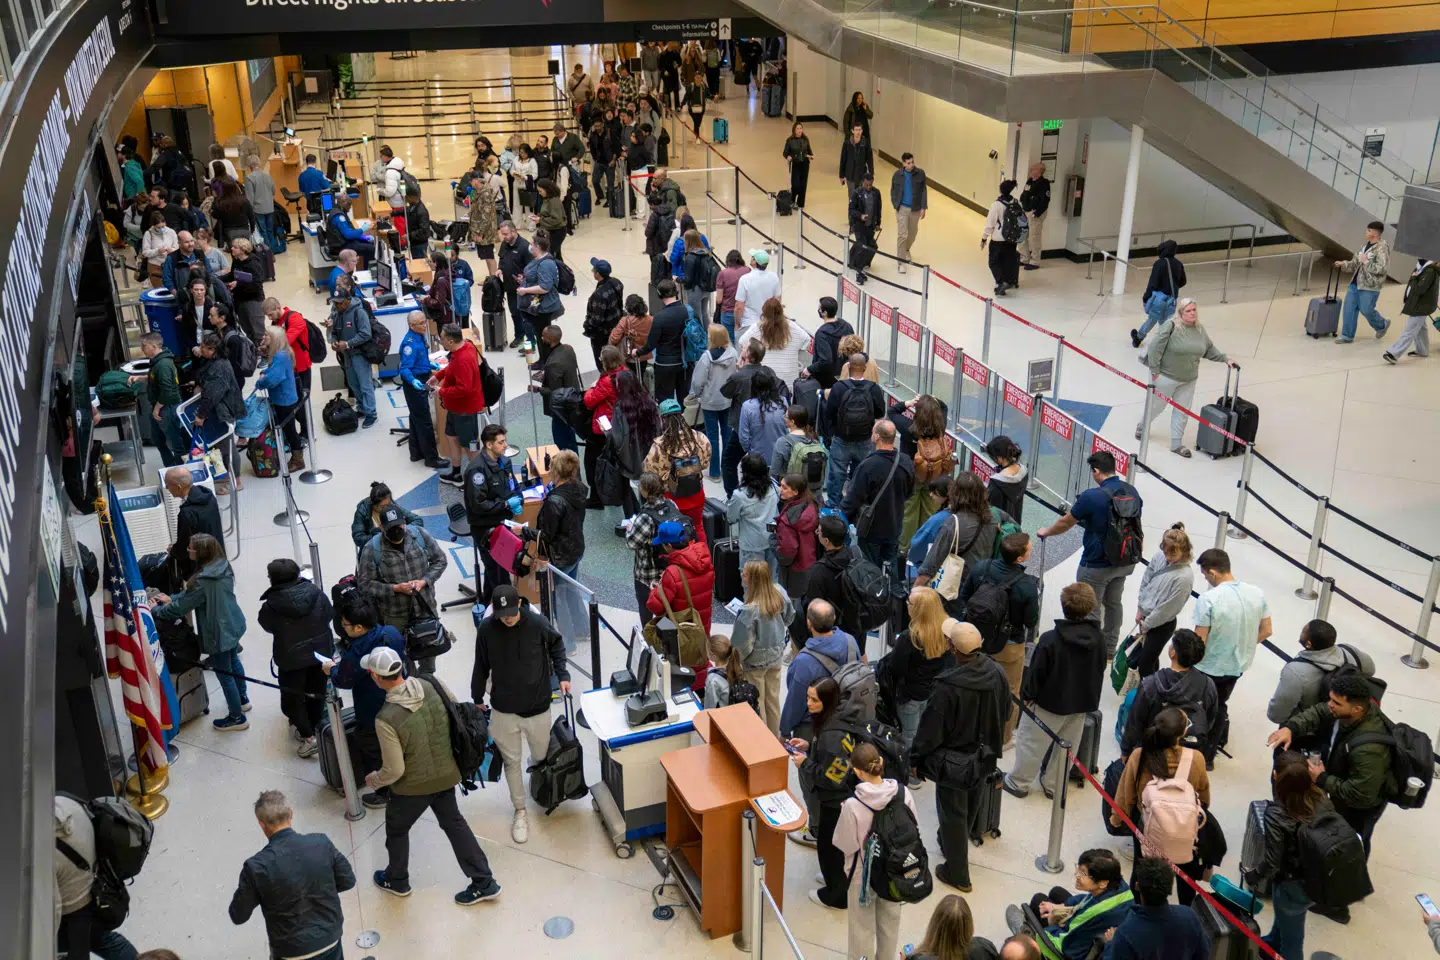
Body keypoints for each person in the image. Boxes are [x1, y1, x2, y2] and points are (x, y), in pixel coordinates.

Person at [364, 647, 502, 905]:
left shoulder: (385, 719)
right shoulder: (432, 683)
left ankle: (397, 880)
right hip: (447, 773)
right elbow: (456, 711)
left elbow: (395, 770)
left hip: (412, 788)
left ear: (375, 677)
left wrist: (375, 779)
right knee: (454, 824)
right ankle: (484, 882)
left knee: (397, 829)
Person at [911, 620, 1009, 892]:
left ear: (953, 648)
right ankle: (952, 842)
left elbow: (931, 730)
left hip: (954, 763)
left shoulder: (947, 686)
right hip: (985, 755)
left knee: (952, 812)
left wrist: (916, 759)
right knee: (972, 802)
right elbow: (1006, 710)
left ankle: (958, 874)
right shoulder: (997, 672)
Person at [1266, 671, 1394, 877]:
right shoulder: (1346, 713)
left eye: (1336, 702)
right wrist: (1291, 728)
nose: (1330, 705)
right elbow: (1318, 712)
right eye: (1331, 699)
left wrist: (1323, 779)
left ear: (1357, 708)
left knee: (1350, 844)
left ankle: (1344, 884)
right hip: (1342, 787)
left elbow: (1361, 795)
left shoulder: (1370, 750)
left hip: (1358, 809)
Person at [472, 584, 569, 844]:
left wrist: (563, 675)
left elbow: (557, 644)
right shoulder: (487, 629)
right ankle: (520, 810)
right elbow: (480, 664)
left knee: (540, 756)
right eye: (502, 614)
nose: (507, 618)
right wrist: (477, 697)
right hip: (503, 709)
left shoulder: (537, 623)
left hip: (537, 707)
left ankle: (537, 782)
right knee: (511, 761)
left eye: (511, 613)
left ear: (519, 604)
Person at [1037, 450, 1142, 659]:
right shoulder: (1132, 491)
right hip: (1124, 560)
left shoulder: (1091, 496)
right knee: (1113, 604)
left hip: (1096, 564)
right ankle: (1109, 649)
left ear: (1096, 471)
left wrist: (1046, 531)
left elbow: (1066, 522)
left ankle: (1088, 652)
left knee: (1089, 609)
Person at [228, 790, 355, 960]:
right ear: (291, 814)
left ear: (261, 824)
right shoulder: (321, 843)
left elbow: (238, 915)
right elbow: (348, 880)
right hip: (330, 940)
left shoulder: (256, 867)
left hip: (291, 952)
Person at [1109, 707, 1209, 904]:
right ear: (1182, 733)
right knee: (1185, 872)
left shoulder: (1140, 755)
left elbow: (1126, 792)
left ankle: (1141, 905)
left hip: (1147, 824)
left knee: (1142, 869)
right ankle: (1186, 907)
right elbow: (1203, 794)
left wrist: (1116, 818)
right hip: (1184, 826)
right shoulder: (1195, 758)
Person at [152, 533, 249, 731]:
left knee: (225, 675)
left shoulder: (202, 580)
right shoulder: (222, 566)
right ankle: (243, 699)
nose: (187, 550)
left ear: (201, 553)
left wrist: (156, 610)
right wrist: (173, 598)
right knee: (233, 662)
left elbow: (181, 608)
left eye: (191, 548)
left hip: (218, 633)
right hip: (233, 623)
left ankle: (237, 718)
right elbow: (191, 594)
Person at [1245, 751, 1334, 958]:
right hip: (1317, 878)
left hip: (1292, 884)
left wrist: (1254, 875)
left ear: (1276, 776)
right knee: (1288, 919)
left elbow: (1272, 861)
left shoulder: (1277, 813)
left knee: (1293, 942)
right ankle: (1272, 943)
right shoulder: (1322, 798)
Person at [835, 742, 919, 956]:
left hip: (862, 876)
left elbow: (846, 844)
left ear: (857, 772)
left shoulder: (852, 805)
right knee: (890, 925)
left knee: (861, 930)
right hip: (895, 871)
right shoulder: (903, 793)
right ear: (880, 762)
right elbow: (914, 828)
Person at [324, 595, 406, 807]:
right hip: (399, 699)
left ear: (359, 627)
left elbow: (344, 680)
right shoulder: (391, 632)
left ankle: (384, 792)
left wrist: (331, 669)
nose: (343, 628)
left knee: (372, 746)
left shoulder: (358, 652)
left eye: (345, 625)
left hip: (373, 708)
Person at [1193, 547, 1271, 764]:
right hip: (1237, 665)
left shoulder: (1208, 599)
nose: (1206, 580)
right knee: (1220, 704)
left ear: (1212, 573)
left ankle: (1197, 752)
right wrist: (1244, 643)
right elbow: (1267, 630)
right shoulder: (1257, 593)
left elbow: (1199, 641)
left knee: (1202, 707)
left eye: (1205, 575)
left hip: (1209, 666)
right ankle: (1208, 757)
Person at [786, 676, 857, 908]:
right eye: (808, 697)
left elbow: (834, 778)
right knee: (831, 845)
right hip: (837, 799)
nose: (808, 703)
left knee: (829, 847)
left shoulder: (831, 735)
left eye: (814, 699)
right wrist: (810, 747)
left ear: (827, 701)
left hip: (836, 801)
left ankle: (836, 895)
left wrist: (805, 763)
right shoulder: (833, 720)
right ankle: (833, 879)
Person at [1136, 299, 1236, 458]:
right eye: (1189, 311)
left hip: (1189, 379)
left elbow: (1208, 349)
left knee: (1182, 411)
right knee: (1156, 406)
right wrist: (1155, 371)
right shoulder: (1171, 326)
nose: (1193, 313)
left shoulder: (1199, 329)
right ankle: (1142, 427)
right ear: (1181, 312)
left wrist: (1225, 358)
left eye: (1194, 310)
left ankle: (1176, 444)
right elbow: (1155, 347)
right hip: (1165, 377)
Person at [55, 794, 141, 960]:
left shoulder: (47, 855)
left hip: (74, 909)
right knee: (103, 939)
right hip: (96, 887)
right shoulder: (65, 802)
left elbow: (51, 912)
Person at [356, 505, 449, 658]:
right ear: (381, 527)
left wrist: (424, 581)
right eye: (390, 527)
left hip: (425, 607)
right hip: (396, 615)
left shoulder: (420, 536)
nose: (396, 530)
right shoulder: (371, 549)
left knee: (430, 651)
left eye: (399, 526)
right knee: (401, 658)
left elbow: (440, 560)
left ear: (404, 522)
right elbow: (365, 584)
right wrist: (395, 588)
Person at [1007, 850, 1132, 959]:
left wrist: (1052, 922)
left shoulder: (1094, 913)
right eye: (1079, 868)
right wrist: (1061, 907)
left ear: (1103, 883)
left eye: (1083, 873)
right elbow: (1087, 899)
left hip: (1069, 946)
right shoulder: (1120, 886)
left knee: (1033, 904)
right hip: (1086, 930)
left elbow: (1066, 942)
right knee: (1055, 892)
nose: (1077, 875)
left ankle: (1026, 936)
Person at [1120, 628, 1218, 756]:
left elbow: (1135, 724)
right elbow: (1209, 720)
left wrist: (1126, 751)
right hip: (1189, 753)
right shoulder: (1207, 685)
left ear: (1173, 653)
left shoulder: (1150, 685)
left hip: (1154, 753)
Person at [1266, 619, 1376, 729]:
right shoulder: (1349, 651)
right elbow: (1371, 670)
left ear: (1308, 644)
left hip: (1306, 728)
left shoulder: (1295, 671)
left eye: (1303, 631)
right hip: (1345, 723)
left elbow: (1276, 715)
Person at [842, 419, 915, 584]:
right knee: (891, 565)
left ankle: (874, 595)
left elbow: (853, 499)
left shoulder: (868, 465)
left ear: (876, 436)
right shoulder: (905, 461)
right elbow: (909, 493)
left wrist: (840, 518)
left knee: (869, 570)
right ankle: (892, 593)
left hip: (871, 528)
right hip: (895, 525)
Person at [1124, 523, 1195, 688]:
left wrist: (1147, 624)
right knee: (1149, 658)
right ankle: (1152, 688)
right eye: (1165, 553)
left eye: (1172, 554)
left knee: (1145, 664)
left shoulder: (1184, 578)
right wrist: (1140, 608)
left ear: (1184, 551)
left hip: (1162, 624)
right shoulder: (1159, 557)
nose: (1168, 558)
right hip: (1146, 617)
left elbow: (1169, 608)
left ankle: (1150, 692)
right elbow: (1146, 580)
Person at [730, 559, 795, 735]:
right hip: (776, 657)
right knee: (773, 701)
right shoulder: (779, 591)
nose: (742, 574)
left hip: (754, 664)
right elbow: (790, 617)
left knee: (757, 704)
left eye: (745, 574)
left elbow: (741, 645)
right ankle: (775, 739)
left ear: (753, 580)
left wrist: (737, 663)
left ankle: (762, 743)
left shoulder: (749, 610)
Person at [891, 587, 956, 757]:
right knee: (925, 731)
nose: (906, 603)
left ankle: (908, 766)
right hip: (933, 693)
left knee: (908, 735)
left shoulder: (910, 637)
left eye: (909, 602)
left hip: (910, 695)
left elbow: (896, 668)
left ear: (919, 609)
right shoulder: (946, 631)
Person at [1103, 857, 1210, 960]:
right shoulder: (1189, 916)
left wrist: (1110, 944)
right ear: (1170, 888)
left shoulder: (1125, 934)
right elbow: (1203, 954)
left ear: (1137, 886)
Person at [464, 424, 522, 605]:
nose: (505, 445)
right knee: (500, 575)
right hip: (485, 529)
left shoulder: (504, 462)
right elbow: (478, 505)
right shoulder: (477, 471)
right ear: (489, 445)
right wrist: (505, 504)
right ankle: (504, 610)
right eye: (501, 442)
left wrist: (518, 498)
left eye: (505, 441)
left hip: (502, 523)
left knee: (495, 568)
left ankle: (485, 601)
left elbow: (513, 484)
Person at [536, 450, 589, 644]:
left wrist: (523, 531)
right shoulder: (579, 488)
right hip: (576, 549)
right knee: (572, 590)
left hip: (559, 556)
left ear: (557, 472)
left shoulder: (554, 502)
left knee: (558, 598)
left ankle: (567, 643)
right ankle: (583, 629)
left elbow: (545, 534)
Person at [719, 339, 781, 494]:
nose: (741, 348)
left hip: (742, 427)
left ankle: (733, 495)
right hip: (765, 424)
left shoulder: (738, 377)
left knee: (728, 461)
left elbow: (725, 392)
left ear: (747, 354)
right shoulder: (769, 372)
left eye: (744, 347)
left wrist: (739, 371)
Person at [824, 352, 885, 503]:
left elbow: (829, 414)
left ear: (848, 367)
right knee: (861, 475)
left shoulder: (838, 388)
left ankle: (834, 506)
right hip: (865, 440)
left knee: (837, 474)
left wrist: (829, 436)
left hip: (841, 439)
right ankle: (855, 506)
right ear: (865, 368)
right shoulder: (873, 388)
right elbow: (880, 412)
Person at [188, 332, 246, 487]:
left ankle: (236, 482)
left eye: (203, 347)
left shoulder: (220, 367)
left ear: (212, 349)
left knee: (227, 448)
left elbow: (213, 395)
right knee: (220, 446)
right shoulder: (211, 361)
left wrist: (201, 415)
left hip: (223, 412)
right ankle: (226, 475)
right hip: (216, 411)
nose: (200, 349)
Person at [431, 323, 485, 485]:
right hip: (455, 409)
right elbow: (451, 367)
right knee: (452, 437)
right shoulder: (465, 347)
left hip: (465, 410)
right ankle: (456, 474)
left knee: (470, 446)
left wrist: (441, 391)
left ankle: (477, 480)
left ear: (451, 341)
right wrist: (438, 376)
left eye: (442, 339)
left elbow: (464, 389)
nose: (440, 341)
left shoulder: (463, 360)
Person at [801, 517, 866, 649]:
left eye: (818, 531)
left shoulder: (819, 570)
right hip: (857, 621)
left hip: (834, 630)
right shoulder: (856, 553)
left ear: (826, 540)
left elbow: (814, 606)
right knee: (859, 654)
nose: (817, 533)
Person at [625, 472, 682, 618]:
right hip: (670, 569)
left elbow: (631, 543)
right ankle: (665, 630)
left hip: (647, 573)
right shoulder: (671, 504)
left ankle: (649, 632)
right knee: (667, 607)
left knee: (646, 607)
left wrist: (629, 529)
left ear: (644, 491)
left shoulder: (645, 517)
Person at [396, 311, 447, 469]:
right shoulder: (409, 344)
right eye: (421, 323)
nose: (425, 325)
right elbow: (404, 369)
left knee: (415, 418)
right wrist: (413, 381)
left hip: (422, 375)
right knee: (425, 421)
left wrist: (429, 364)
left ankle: (416, 452)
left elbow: (419, 359)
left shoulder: (419, 336)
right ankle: (431, 458)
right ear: (411, 326)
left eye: (425, 321)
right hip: (414, 384)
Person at [646, 519, 715, 633]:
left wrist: (654, 590)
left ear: (669, 545)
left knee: (660, 624)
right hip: (702, 626)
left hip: (682, 632)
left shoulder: (672, 573)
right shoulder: (705, 560)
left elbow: (655, 606)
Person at [687, 324, 736, 478]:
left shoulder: (706, 357)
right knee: (727, 435)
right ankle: (727, 469)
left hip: (709, 402)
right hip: (727, 400)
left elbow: (697, 382)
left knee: (712, 437)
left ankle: (714, 473)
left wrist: (698, 394)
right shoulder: (733, 354)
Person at [329, 275, 377, 428]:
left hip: (359, 354)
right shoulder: (338, 313)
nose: (337, 306)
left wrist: (348, 344)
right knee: (353, 384)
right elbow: (334, 332)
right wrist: (334, 341)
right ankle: (362, 408)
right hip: (346, 356)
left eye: (340, 303)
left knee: (365, 385)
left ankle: (371, 413)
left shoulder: (359, 312)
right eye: (335, 303)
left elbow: (366, 334)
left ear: (347, 300)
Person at [256, 326, 306, 474]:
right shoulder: (282, 353)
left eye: (267, 335)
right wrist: (264, 372)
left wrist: (260, 382)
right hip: (285, 397)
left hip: (283, 400)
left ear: (275, 339)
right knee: (288, 428)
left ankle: (298, 460)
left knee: (290, 430)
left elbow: (272, 379)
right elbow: (273, 371)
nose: (264, 337)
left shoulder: (280, 356)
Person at [1334, 219, 1391, 344]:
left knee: (1366, 310)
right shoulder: (1364, 247)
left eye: (1368, 230)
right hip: (1355, 284)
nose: (1366, 232)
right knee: (1349, 309)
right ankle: (1347, 336)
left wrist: (1366, 262)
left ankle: (1382, 324)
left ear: (1375, 233)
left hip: (1370, 286)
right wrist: (1344, 264)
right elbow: (1355, 263)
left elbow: (1382, 268)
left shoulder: (1382, 249)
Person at [134, 334, 187, 467]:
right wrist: (140, 378)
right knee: (158, 439)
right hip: (159, 407)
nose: (141, 349)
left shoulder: (163, 364)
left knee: (176, 444)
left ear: (153, 346)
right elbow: (155, 379)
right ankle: (170, 468)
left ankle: (181, 471)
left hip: (167, 408)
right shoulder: (157, 362)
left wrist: (157, 408)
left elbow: (167, 390)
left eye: (144, 346)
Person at [265, 298, 313, 438]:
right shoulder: (276, 322)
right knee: (291, 403)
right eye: (267, 316)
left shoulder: (295, 318)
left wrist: (269, 344)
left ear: (278, 307)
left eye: (270, 314)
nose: (269, 318)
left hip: (301, 368)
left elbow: (286, 341)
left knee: (301, 403)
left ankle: (306, 432)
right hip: (287, 369)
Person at [739, 297, 811, 387]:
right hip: (788, 380)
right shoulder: (792, 327)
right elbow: (806, 340)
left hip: (765, 379)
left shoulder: (758, 328)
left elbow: (742, 342)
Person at [728, 453, 780, 574]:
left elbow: (731, 517)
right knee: (772, 577)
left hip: (751, 544)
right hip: (772, 539)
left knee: (751, 580)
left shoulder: (739, 495)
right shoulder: (773, 485)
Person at [642, 278, 691, 404]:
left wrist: (638, 352)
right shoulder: (688, 311)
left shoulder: (659, 317)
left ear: (659, 294)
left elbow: (651, 344)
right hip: (686, 361)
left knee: (665, 401)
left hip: (665, 364)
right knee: (684, 399)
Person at [1131, 240, 1187, 348]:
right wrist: (1173, 287)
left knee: (1152, 318)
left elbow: (1153, 283)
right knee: (1166, 322)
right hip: (1172, 299)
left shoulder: (1159, 263)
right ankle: (1168, 342)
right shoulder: (1179, 264)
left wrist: (1146, 297)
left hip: (1159, 299)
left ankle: (1138, 338)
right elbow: (1183, 281)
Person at [774, 471, 821, 597]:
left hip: (793, 572)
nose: (780, 490)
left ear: (795, 492)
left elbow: (787, 551)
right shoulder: (811, 505)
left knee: (792, 602)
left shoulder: (787, 521)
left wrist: (774, 543)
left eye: (784, 487)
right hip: (810, 561)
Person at [1384, 256, 1437, 364]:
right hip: (1418, 303)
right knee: (1421, 328)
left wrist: (1413, 278)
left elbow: (1419, 289)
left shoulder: (1430, 271)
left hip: (1421, 305)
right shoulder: (1420, 268)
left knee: (1410, 330)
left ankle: (1394, 353)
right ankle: (1423, 350)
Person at [517, 229, 562, 346]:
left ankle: (546, 356)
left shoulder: (546, 263)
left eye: (532, 244)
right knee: (539, 334)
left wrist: (525, 290)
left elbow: (545, 287)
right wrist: (524, 280)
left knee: (544, 337)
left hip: (543, 307)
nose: (530, 246)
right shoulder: (538, 259)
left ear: (537, 247)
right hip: (537, 306)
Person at [981, 180, 1024, 296]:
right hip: (1011, 238)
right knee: (1007, 260)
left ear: (1000, 190)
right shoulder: (1015, 202)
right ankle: (1008, 280)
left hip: (998, 239)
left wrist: (984, 238)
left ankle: (1001, 282)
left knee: (993, 261)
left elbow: (990, 224)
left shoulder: (996, 205)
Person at [738, 369, 789, 464]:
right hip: (780, 458)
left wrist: (751, 451)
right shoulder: (783, 402)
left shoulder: (747, 406)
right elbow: (787, 430)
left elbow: (743, 437)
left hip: (757, 460)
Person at [497, 220, 534, 348]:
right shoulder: (505, 244)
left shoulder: (525, 246)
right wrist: (500, 269)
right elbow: (502, 259)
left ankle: (531, 339)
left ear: (514, 231)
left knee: (525, 315)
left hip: (524, 289)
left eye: (506, 234)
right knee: (514, 313)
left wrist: (523, 276)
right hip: (510, 287)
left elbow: (532, 267)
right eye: (502, 234)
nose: (503, 237)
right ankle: (519, 336)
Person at [583, 257, 625, 365]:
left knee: (602, 360)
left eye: (594, 270)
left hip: (602, 334)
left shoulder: (599, 294)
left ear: (597, 274)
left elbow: (597, 320)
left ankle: (605, 373)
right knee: (615, 356)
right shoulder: (617, 282)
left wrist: (587, 324)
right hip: (617, 326)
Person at [891, 153, 928, 271]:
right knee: (902, 235)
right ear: (903, 163)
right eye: (908, 163)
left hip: (915, 209)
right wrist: (895, 204)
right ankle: (900, 263)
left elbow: (923, 191)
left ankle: (906, 249)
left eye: (912, 162)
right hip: (902, 208)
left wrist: (923, 207)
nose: (911, 165)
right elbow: (893, 190)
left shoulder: (920, 174)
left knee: (912, 233)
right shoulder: (897, 175)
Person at [806, 296, 854, 387]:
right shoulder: (847, 326)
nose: (818, 311)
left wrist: (809, 369)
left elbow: (825, 361)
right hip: (845, 376)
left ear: (825, 313)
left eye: (819, 309)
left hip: (826, 380)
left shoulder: (821, 334)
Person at [732, 248, 781, 332]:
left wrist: (737, 323)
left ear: (755, 262)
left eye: (752, 257)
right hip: (767, 323)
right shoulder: (774, 277)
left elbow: (739, 306)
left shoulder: (745, 279)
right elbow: (777, 301)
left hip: (749, 324)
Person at [610, 292, 654, 380]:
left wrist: (614, 329)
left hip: (630, 356)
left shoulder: (625, 320)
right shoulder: (650, 319)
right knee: (640, 376)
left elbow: (614, 339)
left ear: (628, 307)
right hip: (644, 354)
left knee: (631, 379)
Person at [849, 172, 883, 283]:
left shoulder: (876, 193)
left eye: (870, 185)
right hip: (859, 226)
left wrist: (878, 223)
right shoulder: (857, 193)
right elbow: (851, 210)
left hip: (870, 226)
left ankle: (855, 261)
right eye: (866, 185)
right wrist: (860, 216)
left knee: (870, 246)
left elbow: (878, 209)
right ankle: (858, 271)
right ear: (863, 182)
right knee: (863, 246)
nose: (868, 187)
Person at [1018, 162, 1050, 271]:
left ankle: (1035, 261)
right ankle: (1024, 258)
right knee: (1022, 235)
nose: (1031, 171)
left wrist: (1036, 213)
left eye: (1033, 169)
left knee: (1034, 237)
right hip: (1025, 211)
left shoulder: (1044, 183)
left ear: (1039, 172)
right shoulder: (1030, 181)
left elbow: (1045, 200)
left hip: (1035, 213)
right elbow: (1025, 193)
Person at [243, 155, 278, 251]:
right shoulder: (268, 176)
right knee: (270, 230)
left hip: (258, 209)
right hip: (270, 207)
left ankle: (268, 251)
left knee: (263, 231)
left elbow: (250, 198)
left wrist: (248, 212)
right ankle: (273, 249)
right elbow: (273, 191)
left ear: (249, 165)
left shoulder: (249, 178)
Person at [327, 195, 374, 263]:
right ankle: (369, 268)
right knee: (371, 249)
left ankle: (366, 267)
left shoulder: (338, 210)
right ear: (344, 204)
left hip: (342, 241)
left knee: (369, 242)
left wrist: (362, 237)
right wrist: (362, 229)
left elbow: (349, 230)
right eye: (349, 205)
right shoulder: (338, 216)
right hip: (340, 246)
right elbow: (348, 235)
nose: (350, 207)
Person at [716, 249, 750, 343]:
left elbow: (719, 299)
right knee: (743, 340)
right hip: (743, 311)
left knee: (729, 341)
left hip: (728, 311)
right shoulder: (747, 270)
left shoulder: (723, 274)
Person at [533, 180, 568, 263]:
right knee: (556, 255)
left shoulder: (554, 201)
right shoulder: (547, 199)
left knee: (551, 254)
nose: (540, 193)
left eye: (540, 191)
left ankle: (557, 269)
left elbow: (556, 219)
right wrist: (539, 216)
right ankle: (561, 270)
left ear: (547, 189)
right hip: (551, 230)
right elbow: (546, 213)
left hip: (557, 231)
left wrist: (540, 220)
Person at [141, 210, 178, 285]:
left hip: (170, 264)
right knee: (158, 289)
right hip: (155, 266)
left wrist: (172, 250)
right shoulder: (148, 233)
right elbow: (145, 252)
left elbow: (177, 248)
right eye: (158, 227)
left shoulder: (171, 232)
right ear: (153, 226)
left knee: (172, 287)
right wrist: (157, 251)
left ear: (165, 223)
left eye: (163, 226)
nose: (161, 229)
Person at [419, 247, 453, 328]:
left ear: (436, 263)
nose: (428, 264)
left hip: (445, 318)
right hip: (449, 314)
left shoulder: (441, 280)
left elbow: (438, 303)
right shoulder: (445, 272)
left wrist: (425, 299)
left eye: (430, 261)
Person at [839, 122, 874, 200]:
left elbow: (870, 159)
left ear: (862, 131)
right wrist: (841, 175)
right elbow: (843, 159)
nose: (858, 132)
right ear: (852, 131)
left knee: (861, 197)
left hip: (862, 174)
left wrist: (871, 173)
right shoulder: (847, 143)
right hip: (850, 175)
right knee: (852, 197)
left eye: (859, 130)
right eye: (856, 130)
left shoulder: (866, 143)